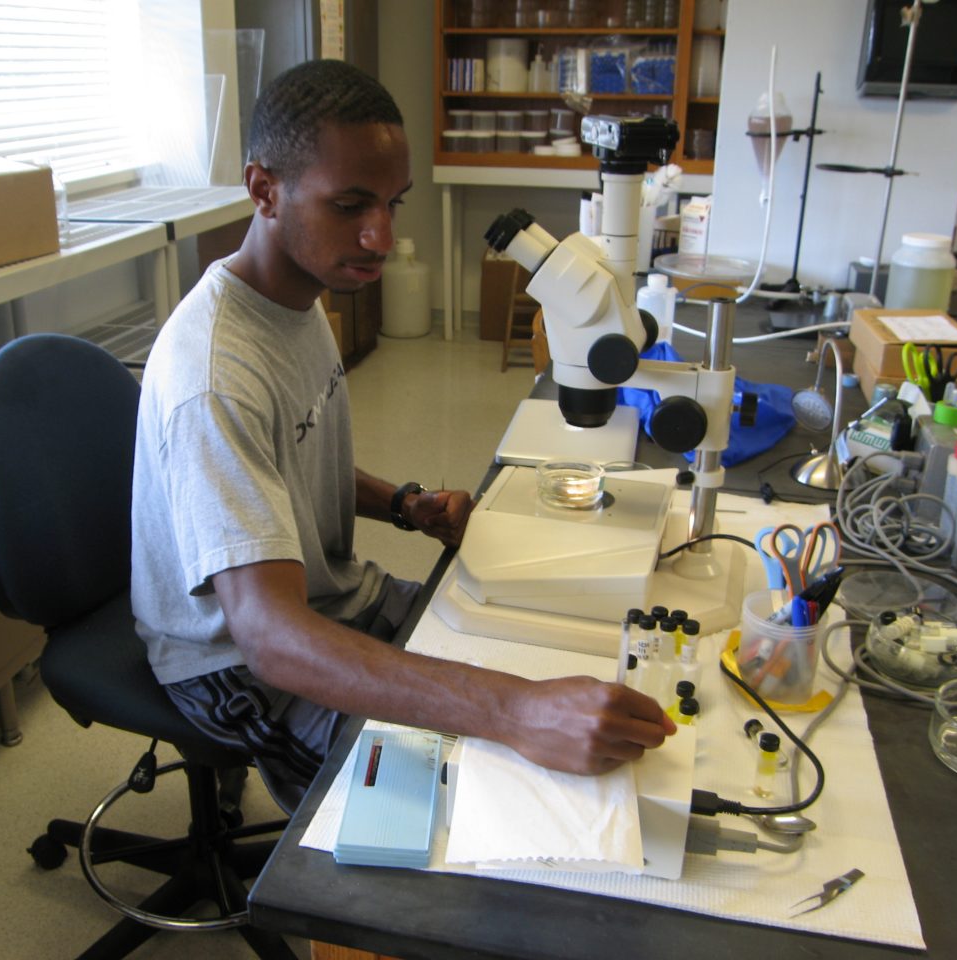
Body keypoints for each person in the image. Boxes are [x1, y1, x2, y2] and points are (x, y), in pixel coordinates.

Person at [131, 59, 675, 814]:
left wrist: (402, 504)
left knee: (521, 645)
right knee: (474, 796)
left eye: (392, 203)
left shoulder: (298, 298)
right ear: (263, 190)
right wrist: (513, 710)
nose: (381, 235)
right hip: (238, 662)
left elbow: (279, 455)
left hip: (333, 600)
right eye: (351, 205)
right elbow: (272, 639)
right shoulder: (216, 370)